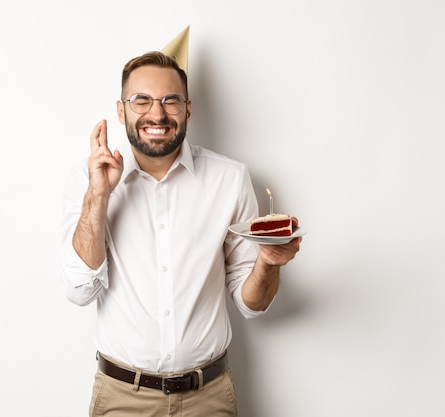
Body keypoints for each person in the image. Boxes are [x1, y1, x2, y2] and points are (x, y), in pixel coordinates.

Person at [58, 49, 302, 416]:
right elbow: (79, 291)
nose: (156, 114)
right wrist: (99, 194)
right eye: (141, 100)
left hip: (209, 397)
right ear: (121, 110)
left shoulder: (229, 179)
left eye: (170, 101)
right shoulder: (88, 178)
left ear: (188, 110)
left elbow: (251, 305)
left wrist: (268, 262)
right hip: (123, 398)